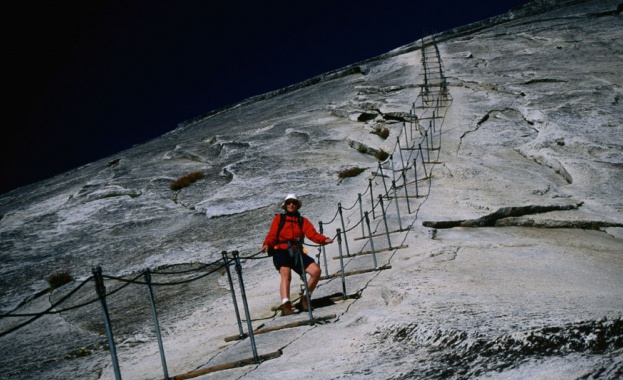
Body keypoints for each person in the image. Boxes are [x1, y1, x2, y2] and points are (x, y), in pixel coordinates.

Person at [262, 194, 333, 316]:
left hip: (297, 252)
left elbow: (312, 234)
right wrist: (267, 244)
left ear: (297, 205)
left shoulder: (302, 221)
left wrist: (323, 239)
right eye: (289, 202)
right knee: (286, 276)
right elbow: (272, 234)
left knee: (316, 271)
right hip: (281, 251)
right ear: (285, 206)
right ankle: (286, 305)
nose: (291, 205)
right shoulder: (279, 218)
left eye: (293, 203)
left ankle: (305, 298)